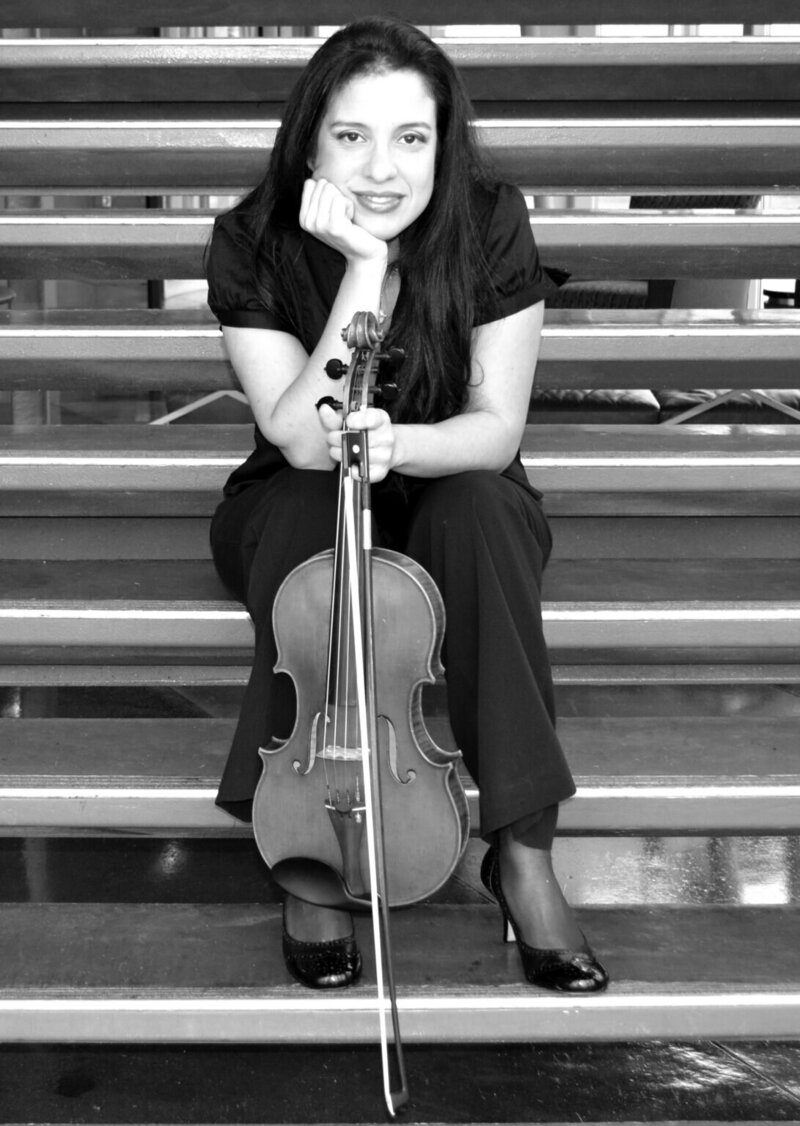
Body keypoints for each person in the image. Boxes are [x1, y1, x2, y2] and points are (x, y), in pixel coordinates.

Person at [205, 17, 608, 994]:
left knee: (477, 508)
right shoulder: (252, 236)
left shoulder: (489, 220)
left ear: (444, 140)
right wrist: (367, 269)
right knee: (313, 500)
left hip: (445, 478)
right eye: (351, 136)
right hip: (295, 496)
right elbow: (300, 433)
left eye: (410, 138)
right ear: (309, 140)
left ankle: (520, 850)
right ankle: (304, 849)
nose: (381, 167)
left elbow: (493, 429)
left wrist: (401, 445)